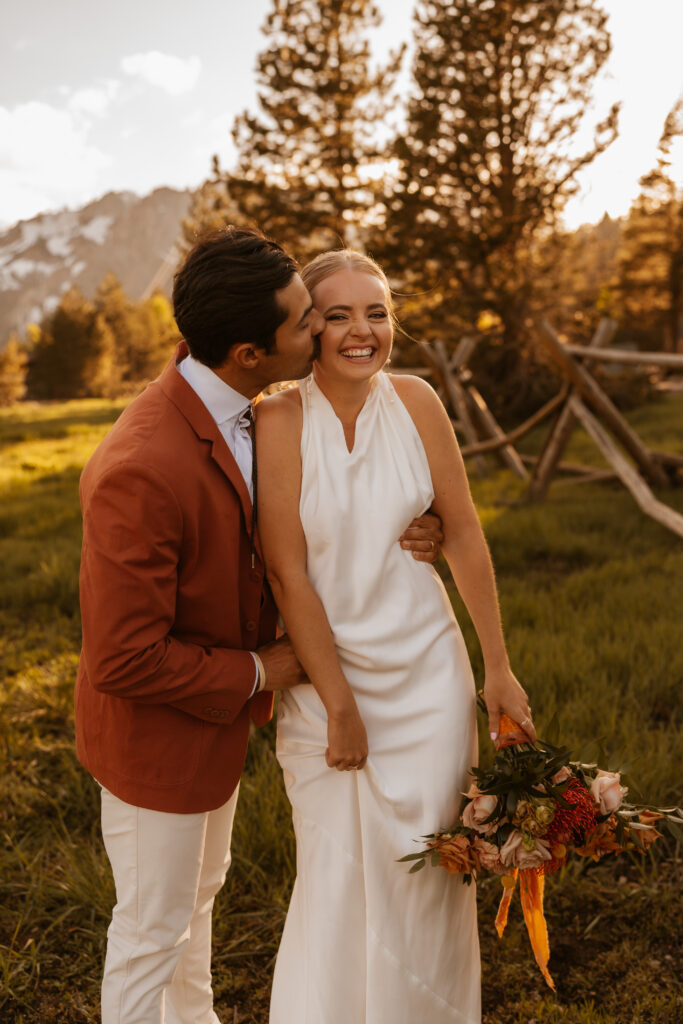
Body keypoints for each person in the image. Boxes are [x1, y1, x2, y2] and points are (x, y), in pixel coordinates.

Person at [75, 227, 443, 1024]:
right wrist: (265, 670)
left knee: (196, 907)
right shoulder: (141, 464)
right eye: (306, 321)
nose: (324, 329)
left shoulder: (238, 400)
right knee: (148, 934)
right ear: (248, 351)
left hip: (210, 730)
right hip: (154, 742)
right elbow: (122, 659)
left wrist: (414, 523)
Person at [256, 250, 536, 1024]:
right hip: (323, 686)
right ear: (309, 326)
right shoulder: (277, 418)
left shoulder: (416, 401)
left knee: (428, 881)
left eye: (375, 312)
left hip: (428, 679)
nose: (360, 331)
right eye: (337, 314)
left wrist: (497, 670)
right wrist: (339, 704)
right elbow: (287, 575)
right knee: (337, 878)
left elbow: (465, 531)